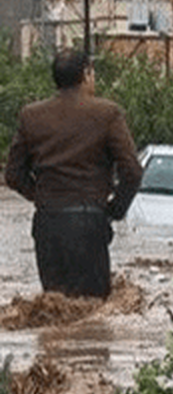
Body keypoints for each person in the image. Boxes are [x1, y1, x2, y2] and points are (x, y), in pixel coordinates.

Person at [4, 49, 143, 299]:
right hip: (89, 221)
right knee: (92, 309)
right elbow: (132, 171)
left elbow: (13, 174)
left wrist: (41, 196)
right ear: (86, 75)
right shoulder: (108, 113)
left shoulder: (30, 115)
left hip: (47, 223)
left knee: (54, 307)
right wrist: (114, 210)